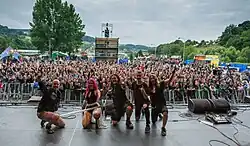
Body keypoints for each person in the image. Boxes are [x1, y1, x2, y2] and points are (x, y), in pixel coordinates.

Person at [148, 67, 176, 136]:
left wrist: (173, 73)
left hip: (162, 104)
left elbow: (169, 80)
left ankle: (163, 128)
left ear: (155, 78)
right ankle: (158, 114)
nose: (152, 79)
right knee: (153, 121)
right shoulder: (149, 87)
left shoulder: (161, 84)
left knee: (165, 113)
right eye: (151, 78)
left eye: (153, 78)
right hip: (154, 106)